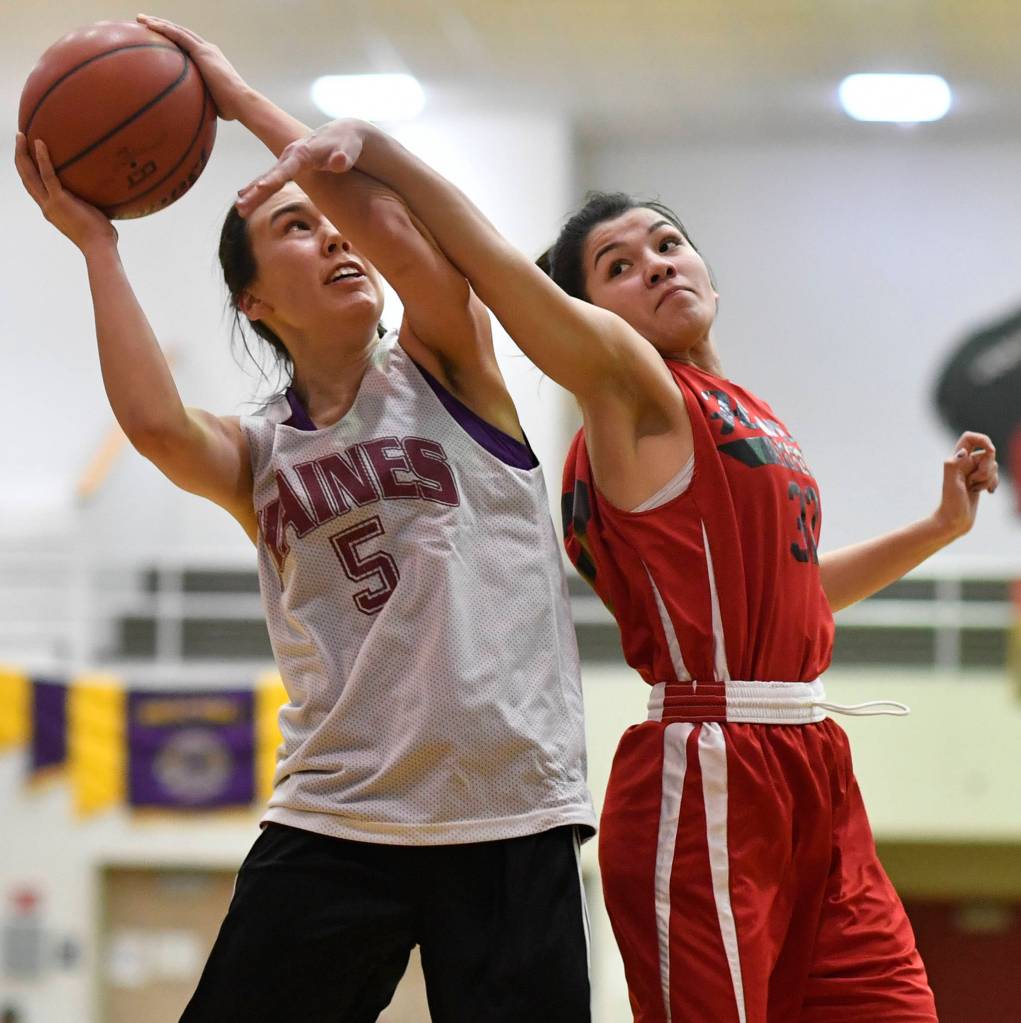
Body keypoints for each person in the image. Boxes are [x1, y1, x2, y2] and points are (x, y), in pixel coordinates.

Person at [234, 111, 999, 1021]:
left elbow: (789, 600)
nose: (659, 265)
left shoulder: (740, 407)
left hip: (809, 758)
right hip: (710, 758)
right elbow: (492, 266)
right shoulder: (633, 393)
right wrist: (375, 149)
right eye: (620, 268)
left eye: (669, 244)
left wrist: (938, 527)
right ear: (588, 316)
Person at [14, 17, 595, 1021]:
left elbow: (409, 243)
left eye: (333, 223)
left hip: (505, 807)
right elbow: (152, 424)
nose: (332, 235)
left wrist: (239, 104)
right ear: (251, 303)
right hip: (338, 814)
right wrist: (97, 244)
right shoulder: (261, 456)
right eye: (295, 227)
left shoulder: (449, 368)